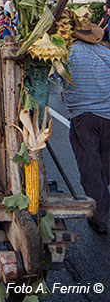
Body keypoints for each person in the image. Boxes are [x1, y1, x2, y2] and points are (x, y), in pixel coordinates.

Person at [65, 22, 110, 234]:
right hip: (108, 116)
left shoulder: (69, 53)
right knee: (104, 164)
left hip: (83, 117)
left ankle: (100, 216)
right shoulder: (106, 53)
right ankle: (102, 199)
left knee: (90, 167)